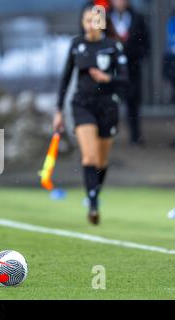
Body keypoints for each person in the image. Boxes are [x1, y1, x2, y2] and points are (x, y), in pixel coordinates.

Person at [53, 6, 128, 225]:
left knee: (102, 162)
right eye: (87, 20)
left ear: (103, 23)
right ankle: (93, 206)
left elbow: (125, 78)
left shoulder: (113, 46)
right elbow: (66, 79)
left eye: (96, 20)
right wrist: (59, 110)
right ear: (83, 22)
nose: (91, 24)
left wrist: (107, 79)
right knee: (90, 158)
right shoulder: (77, 45)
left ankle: (94, 193)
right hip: (82, 105)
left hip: (107, 106)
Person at [109, 0, 149, 146]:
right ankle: (106, 135)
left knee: (133, 102)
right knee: (108, 101)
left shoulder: (137, 17)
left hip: (132, 67)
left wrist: (138, 57)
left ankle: (135, 135)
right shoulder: (104, 16)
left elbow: (145, 41)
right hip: (111, 67)